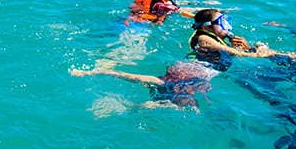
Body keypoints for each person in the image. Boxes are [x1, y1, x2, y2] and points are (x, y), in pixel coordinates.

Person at [71, 61, 215, 110]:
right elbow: (206, 92)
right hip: (183, 102)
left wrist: (90, 72)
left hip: (167, 97)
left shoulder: (161, 80)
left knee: (151, 104)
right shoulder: (198, 82)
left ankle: (126, 106)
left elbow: (126, 75)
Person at [189, 9, 291, 70]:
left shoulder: (215, 39)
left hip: (206, 72)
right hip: (190, 74)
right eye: (221, 22)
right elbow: (239, 54)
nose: (226, 26)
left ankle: (292, 58)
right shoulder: (203, 38)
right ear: (206, 26)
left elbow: (233, 52)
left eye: (226, 20)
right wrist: (261, 54)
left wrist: (247, 47)